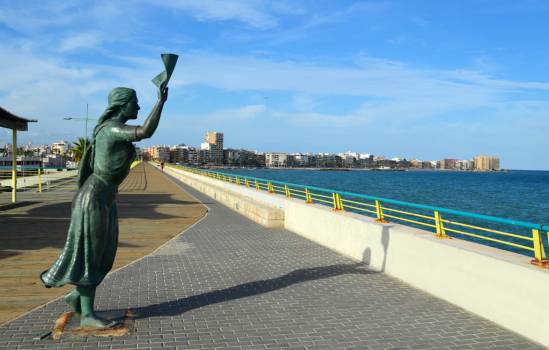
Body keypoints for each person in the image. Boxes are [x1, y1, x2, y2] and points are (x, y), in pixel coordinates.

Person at [40, 86, 168, 329]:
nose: (138, 108)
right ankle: (87, 315)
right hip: (94, 197)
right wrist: (160, 102)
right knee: (91, 255)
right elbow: (145, 131)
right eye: (135, 103)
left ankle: (79, 297)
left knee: (103, 254)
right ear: (122, 105)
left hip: (104, 197)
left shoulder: (109, 129)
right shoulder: (111, 129)